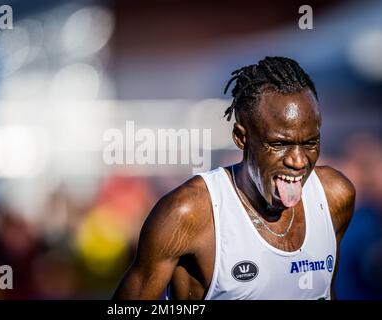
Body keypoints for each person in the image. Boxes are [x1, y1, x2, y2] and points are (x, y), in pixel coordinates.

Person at [113, 56, 355, 300]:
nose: (298, 160)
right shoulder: (189, 213)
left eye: (310, 143)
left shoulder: (335, 196)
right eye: (279, 144)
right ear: (241, 137)